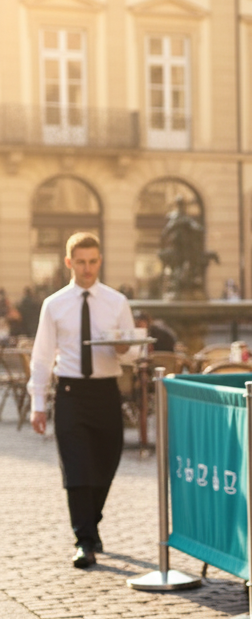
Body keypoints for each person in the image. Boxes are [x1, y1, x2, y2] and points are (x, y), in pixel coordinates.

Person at [29, 232, 136, 568]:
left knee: (107, 463)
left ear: (99, 261)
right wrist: (37, 404)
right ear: (68, 263)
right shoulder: (54, 304)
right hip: (71, 393)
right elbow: (42, 356)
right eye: (80, 262)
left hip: (106, 391)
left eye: (92, 261)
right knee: (76, 468)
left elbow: (134, 351)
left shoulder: (117, 302)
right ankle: (84, 540)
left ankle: (91, 523)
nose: (87, 268)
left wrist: (125, 349)